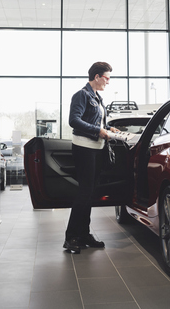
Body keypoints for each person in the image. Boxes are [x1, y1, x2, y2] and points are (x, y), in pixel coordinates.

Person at [63, 61, 120, 254]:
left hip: (97, 149)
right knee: (84, 193)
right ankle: (71, 237)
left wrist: (109, 128)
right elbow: (74, 120)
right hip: (84, 148)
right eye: (107, 78)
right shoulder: (82, 95)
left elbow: (99, 121)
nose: (108, 82)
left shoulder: (98, 98)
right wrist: (98, 130)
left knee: (90, 194)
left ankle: (84, 234)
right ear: (97, 77)